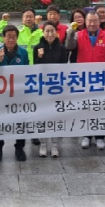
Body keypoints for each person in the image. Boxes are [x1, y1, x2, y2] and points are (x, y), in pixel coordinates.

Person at [65, 11, 105, 150]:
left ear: (99, 22)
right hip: (83, 78)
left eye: (95, 21)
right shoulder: (78, 34)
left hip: (101, 78)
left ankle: (100, 137)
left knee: (100, 109)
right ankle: (86, 135)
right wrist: (70, 32)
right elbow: (69, 46)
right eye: (90, 21)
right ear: (85, 22)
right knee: (85, 108)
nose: (92, 24)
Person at [0, 24, 30, 162]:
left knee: (20, 121)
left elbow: (27, 73)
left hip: (18, 94)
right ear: (3, 38)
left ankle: (19, 148)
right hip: (0, 95)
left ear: (17, 38)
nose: (11, 40)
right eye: (8, 37)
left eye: (14, 37)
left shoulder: (23, 53)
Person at [33, 21, 68, 157]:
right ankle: (43, 144)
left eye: (52, 31)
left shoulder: (62, 48)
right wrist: (39, 57)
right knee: (42, 116)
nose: (49, 34)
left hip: (57, 88)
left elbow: (64, 67)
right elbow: (35, 68)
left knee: (56, 116)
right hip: (42, 88)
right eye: (47, 31)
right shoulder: (37, 48)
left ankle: (54, 145)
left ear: (56, 33)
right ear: (43, 32)